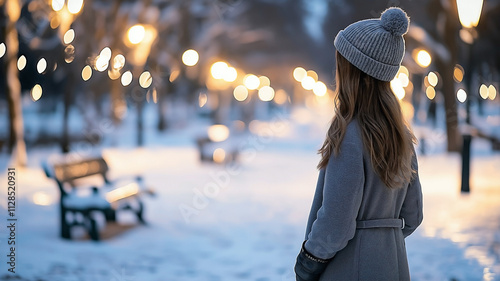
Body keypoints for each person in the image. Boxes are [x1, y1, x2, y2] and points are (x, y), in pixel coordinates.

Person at [294, 7, 423, 281]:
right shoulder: (401, 135)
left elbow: (336, 223)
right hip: (393, 265)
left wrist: (309, 260)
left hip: (350, 268)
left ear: (354, 72)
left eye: (341, 65)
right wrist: (383, 237)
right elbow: (413, 215)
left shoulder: (350, 133)